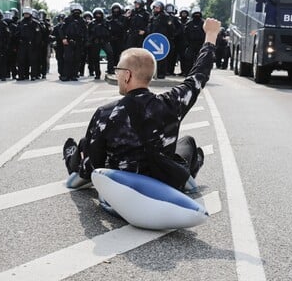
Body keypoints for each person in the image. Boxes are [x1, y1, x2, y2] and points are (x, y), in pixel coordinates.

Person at [63, 17, 222, 191]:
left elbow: (92, 168)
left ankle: (72, 157)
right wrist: (211, 35)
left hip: (122, 180)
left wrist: (82, 164)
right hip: (162, 178)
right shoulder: (171, 103)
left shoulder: (105, 113)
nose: (117, 76)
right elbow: (198, 76)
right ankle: (192, 168)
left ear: (127, 75)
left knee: (87, 142)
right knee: (188, 143)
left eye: (118, 71)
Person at [149, 1, 177, 79]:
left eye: (157, 7)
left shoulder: (165, 16)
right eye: (155, 7)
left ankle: (161, 73)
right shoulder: (152, 17)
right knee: (153, 57)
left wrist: (168, 37)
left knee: (162, 58)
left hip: (163, 39)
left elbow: (171, 28)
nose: (156, 9)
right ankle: (154, 72)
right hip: (154, 40)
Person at [59, 3, 87, 81]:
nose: (76, 12)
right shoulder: (67, 19)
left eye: (78, 10)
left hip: (78, 41)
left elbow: (85, 32)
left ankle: (74, 75)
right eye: (75, 10)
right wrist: (63, 38)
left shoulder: (82, 21)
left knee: (77, 59)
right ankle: (66, 75)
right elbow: (61, 30)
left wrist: (85, 41)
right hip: (68, 40)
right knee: (68, 58)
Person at [88, 8, 114, 79]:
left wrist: (108, 39)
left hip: (105, 41)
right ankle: (97, 73)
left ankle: (110, 69)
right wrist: (91, 41)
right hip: (96, 42)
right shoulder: (92, 24)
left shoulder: (106, 22)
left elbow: (110, 32)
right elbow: (89, 34)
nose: (98, 15)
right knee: (95, 58)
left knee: (110, 53)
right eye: (97, 14)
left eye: (99, 14)